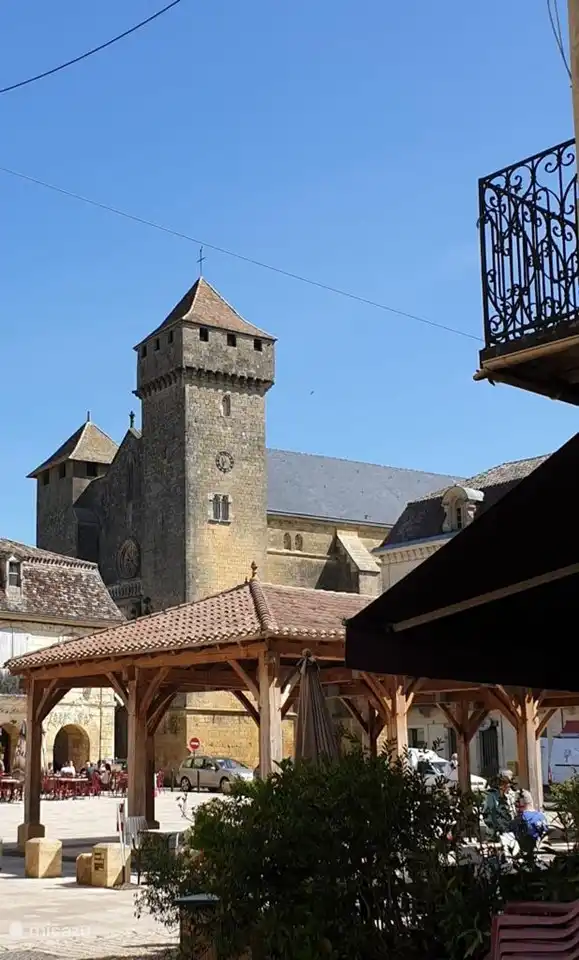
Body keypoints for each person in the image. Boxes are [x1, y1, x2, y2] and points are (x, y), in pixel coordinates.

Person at [482, 770, 517, 838]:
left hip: (510, 833)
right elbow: (488, 814)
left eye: (509, 783)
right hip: (496, 833)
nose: (508, 785)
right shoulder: (492, 796)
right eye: (505, 783)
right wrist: (497, 828)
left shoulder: (512, 795)